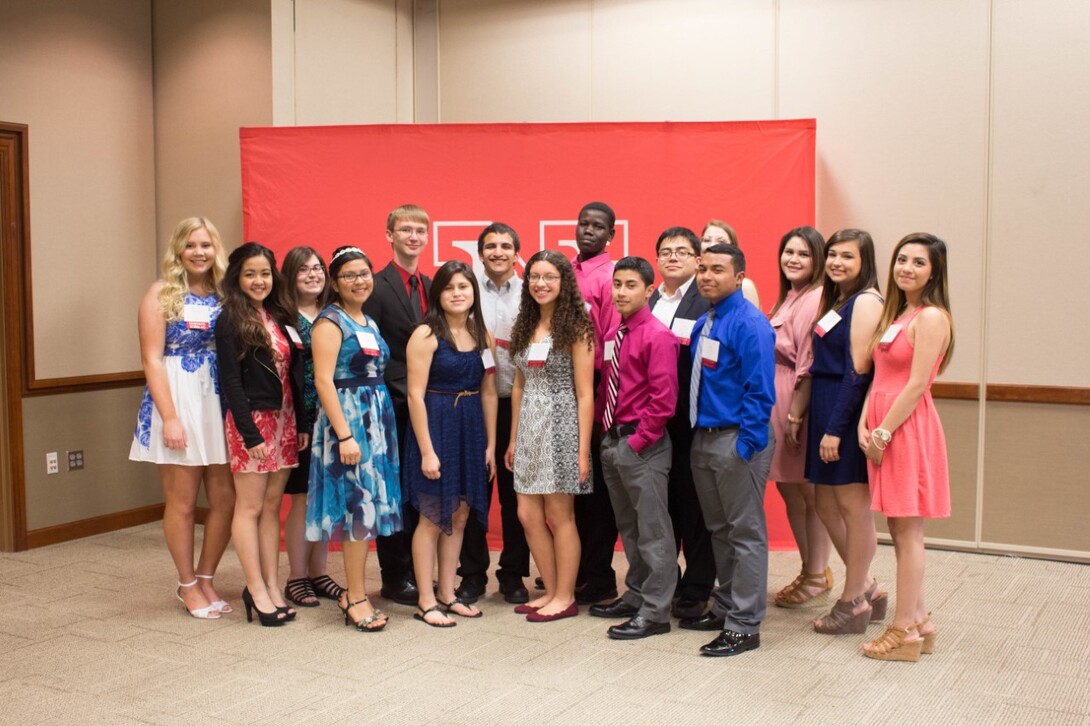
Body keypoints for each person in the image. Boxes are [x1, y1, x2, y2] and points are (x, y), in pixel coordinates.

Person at [130, 217, 235, 619]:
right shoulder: (160, 294)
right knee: (184, 501)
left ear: (216, 250)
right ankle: (187, 583)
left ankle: (207, 577)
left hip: (218, 399)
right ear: (179, 249)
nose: (199, 252)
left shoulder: (225, 294)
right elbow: (151, 359)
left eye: (206, 245)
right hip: (176, 399)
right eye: (191, 245)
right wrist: (170, 417)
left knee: (225, 498)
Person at [858, 233, 954, 661]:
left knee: (908, 531)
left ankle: (903, 632)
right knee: (897, 529)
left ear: (934, 271)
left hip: (906, 428)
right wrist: (865, 421)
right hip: (883, 423)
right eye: (901, 259)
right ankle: (921, 621)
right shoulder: (899, 313)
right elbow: (878, 377)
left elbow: (917, 384)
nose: (907, 268)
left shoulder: (931, 316)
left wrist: (882, 433)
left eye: (918, 262)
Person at [681, 243, 776, 657]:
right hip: (704, 437)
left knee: (746, 534)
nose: (706, 277)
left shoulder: (750, 324)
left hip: (738, 439)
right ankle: (725, 607)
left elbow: (761, 390)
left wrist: (747, 446)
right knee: (719, 531)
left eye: (717, 270)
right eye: (702, 269)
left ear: (739, 277)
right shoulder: (706, 320)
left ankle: (745, 625)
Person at [307, 246, 403, 633]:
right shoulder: (330, 323)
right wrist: (345, 435)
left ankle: (356, 590)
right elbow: (323, 381)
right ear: (335, 282)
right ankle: (357, 597)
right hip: (348, 425)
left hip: (376, 422)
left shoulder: (367, 320)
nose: (359, 281)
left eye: (364, 273)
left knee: (368, 508)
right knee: (356, 513)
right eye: (350, 275)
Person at [216, 242, 306, 627]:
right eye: (251, 273)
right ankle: (254, 588)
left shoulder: (280, 314)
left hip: (285, 420)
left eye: (265, 273)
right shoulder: (230, 319)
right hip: (252, 422)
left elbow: (294, 375)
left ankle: (272, 585)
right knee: (249, 507)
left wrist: (301, 422)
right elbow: (231, 382)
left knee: (272, 507)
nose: (259, 280)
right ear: (237, 276)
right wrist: (249, 433)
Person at [403, 261, 497, 627]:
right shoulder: (426, 334)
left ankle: (447, 591)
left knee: (459, 515)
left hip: (471, 426)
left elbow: (489, 392)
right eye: (449, 287)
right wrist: (427, 450)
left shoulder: (482, 335)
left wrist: (489, 445)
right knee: (431, 515)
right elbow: (414, 395)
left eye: (465, 286)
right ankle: (426, 599)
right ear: (438, 294)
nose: (458, 293)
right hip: (436, 425)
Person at [590, 256, 679, 640]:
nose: (622, 292)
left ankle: (657, 612)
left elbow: (664, 401)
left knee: (654, 530)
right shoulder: (614, 333)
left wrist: (638, 442)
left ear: (648, 290)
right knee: (629, 527)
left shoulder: (657, 335)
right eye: (618, 284)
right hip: (612, 439)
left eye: (631, 285)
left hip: (642, 445)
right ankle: (638, 593)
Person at [505, 250, 595, 622]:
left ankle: (565, 596)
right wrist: (513, 439)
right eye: (535, 277)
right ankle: (551, 590)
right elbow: (519, 387)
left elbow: (586, 393)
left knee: (560, 516)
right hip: (528, 427)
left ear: (564, 283)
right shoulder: (525, 324)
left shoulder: (577, 327)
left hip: (562, 425)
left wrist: (583, 450)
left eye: (550, 277)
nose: (541, 284)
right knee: (527, 513)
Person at [806, 229, 886, 635]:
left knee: (855, 509)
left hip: (843, 410)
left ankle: (853, 599)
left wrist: (836, 429)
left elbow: (859, 372)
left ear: (864, 261)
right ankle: (868, 585)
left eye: (847, 257)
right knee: (824, 504)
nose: (837, 262)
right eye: (833, 254)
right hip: (823, 406)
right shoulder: (837, 299)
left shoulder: (867, 301)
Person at [456, 223, 532, 605]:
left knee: (519, 494)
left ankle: (514, 573)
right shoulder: (466, 290)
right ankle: (471, 574)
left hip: (522, 406)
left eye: (505, 246)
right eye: (491, 246)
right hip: (474, 404)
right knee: (474, 493)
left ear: (517, 252)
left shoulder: (531, 291)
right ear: (481, 253)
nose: (498, 252)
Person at [362, 204, 433, 605]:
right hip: (392, 404)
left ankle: (421, 570)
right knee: (394, 493)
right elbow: (371, 349)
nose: (413, 237)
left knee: (421, 490)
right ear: (389, 235)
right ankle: (395, 575)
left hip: (429, 404)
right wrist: (403, 387)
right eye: (405, 230)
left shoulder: (433, 283)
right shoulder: (374, 285)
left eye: (419, 231)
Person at [648, 227, 715, 619]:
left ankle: (698, 585)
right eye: (665, 251)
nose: (672, 257)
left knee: (696, 504)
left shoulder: (704, 297)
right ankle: (665, 580)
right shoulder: (650, 298)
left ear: (696, 259)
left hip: (693, 418)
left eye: (681, 252)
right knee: (663, 505)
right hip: (657, 420)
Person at [767, 227, 836, 608]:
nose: (793, 259)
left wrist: (796, 415)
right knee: (791, 491)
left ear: (819, 260)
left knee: (808, 494)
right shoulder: (790, 296)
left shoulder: (814, 299)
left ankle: (817, 572)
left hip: (795, 401)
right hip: (778, 398)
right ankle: (811, 568)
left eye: (803, 254)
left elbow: (807, 364)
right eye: (788, 251)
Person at [279, 247, 345, 609]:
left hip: (335, 416)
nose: (312, 274)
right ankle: (296, 576)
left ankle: (319, 572)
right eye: (303, 269)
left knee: (326, 497)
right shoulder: (282, 316)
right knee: (303, 499)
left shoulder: (334, 314)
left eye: (318, 268)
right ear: (290, 275)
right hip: (302, 419)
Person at [570, 201, 621, 604]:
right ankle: (577, 569)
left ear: (611, 235)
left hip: (594, 390)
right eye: (584, 224)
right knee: (573, 488)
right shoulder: (565, 270)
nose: (589, 231)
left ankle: (598, 577)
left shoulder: (609, 277)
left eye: (598, 226)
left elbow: (611, 342)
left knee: (596, 496)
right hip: (559, 394)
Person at [700, 220, 761, 308]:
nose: (712, 245)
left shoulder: (745, 286)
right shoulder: (694, 282)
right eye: (706, 240)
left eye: (721, 241)